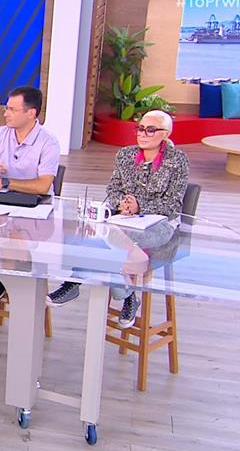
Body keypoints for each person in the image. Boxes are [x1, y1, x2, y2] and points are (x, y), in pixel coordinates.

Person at [46, 109, 190, 328]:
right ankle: (128, 295)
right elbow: (113, 189)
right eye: (140, 129)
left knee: (110, 244)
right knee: (89, 236)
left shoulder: (177, 160)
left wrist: (140, 206)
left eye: (150, 130)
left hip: (160, 225)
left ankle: (75, 281)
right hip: (125, 220)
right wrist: (122, 203)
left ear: (166, 133)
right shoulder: (125, 155)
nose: (143, 134)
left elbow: (173, 204)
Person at [0, 85, 61, 302]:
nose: (6, 114)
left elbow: (43, 186)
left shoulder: (48, 142)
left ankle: (10, 273)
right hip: (1, 204)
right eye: (6, 108)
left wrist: (5, 181)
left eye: (12, 109)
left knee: (18, 239)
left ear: (31, 113)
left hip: (36, 208)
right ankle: (6, 270)